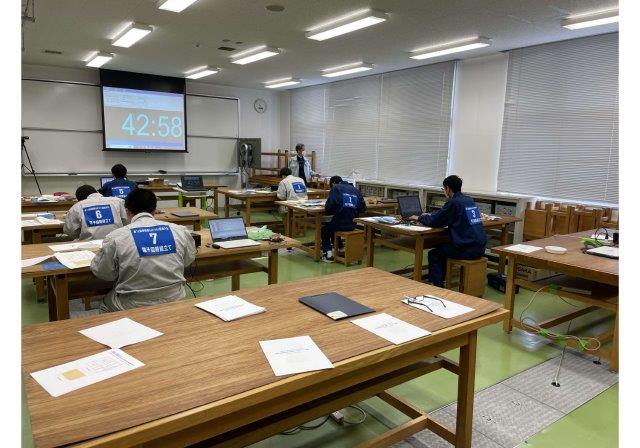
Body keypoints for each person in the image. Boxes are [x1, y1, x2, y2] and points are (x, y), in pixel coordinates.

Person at [90, 188, 197, 312]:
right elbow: (188, 260)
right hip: (175, 297)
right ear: (154, 210)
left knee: (104, 306)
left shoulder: (116, 236)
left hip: (132, 303)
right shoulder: (180, 230)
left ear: (127, 211)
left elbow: (104, 273)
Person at [409, 175, 487, 288]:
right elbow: (446, 216)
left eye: (444, 189)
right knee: (443, 248)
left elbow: (436, 221)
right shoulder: (469, 200)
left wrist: (419, 218)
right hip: (479, 247)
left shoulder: (453, 202)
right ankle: (443, 280)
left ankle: (438, 287)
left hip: (467, 249)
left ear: (448, 188)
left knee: (434, 254)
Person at [321, 176, 366, 262]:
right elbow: (362, 209)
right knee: (332, 226)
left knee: (325, 229)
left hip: (339, 223)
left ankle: (328, 254)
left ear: (333, 183)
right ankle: (341, 248)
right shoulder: (355, 189)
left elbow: (329, 207)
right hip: (352, 224)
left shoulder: (335, 188)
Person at [64, 185, 128, 240]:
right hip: (117, 242)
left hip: (89, 245)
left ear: (80, 199)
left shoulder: (76, 207)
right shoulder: (118, 201)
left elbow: (70, 231)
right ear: (97, 192)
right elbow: (127, 221)